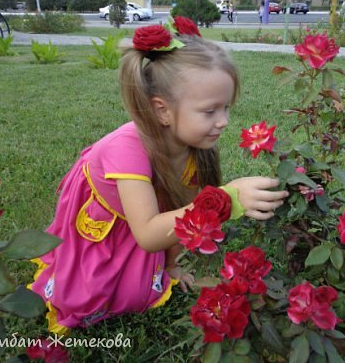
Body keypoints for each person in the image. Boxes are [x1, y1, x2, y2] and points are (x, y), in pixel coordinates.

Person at [29, 19, 289, 335]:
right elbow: (150, 234)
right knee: (101, 294)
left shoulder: (194, 144)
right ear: (162, 110)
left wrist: (172, 264)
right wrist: (227, 199)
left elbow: (180, 208)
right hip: (113, 216)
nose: (223, 122)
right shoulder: (126, 150)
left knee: (142, 286)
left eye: (226, 108)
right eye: (210, 111)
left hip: (146, 216)